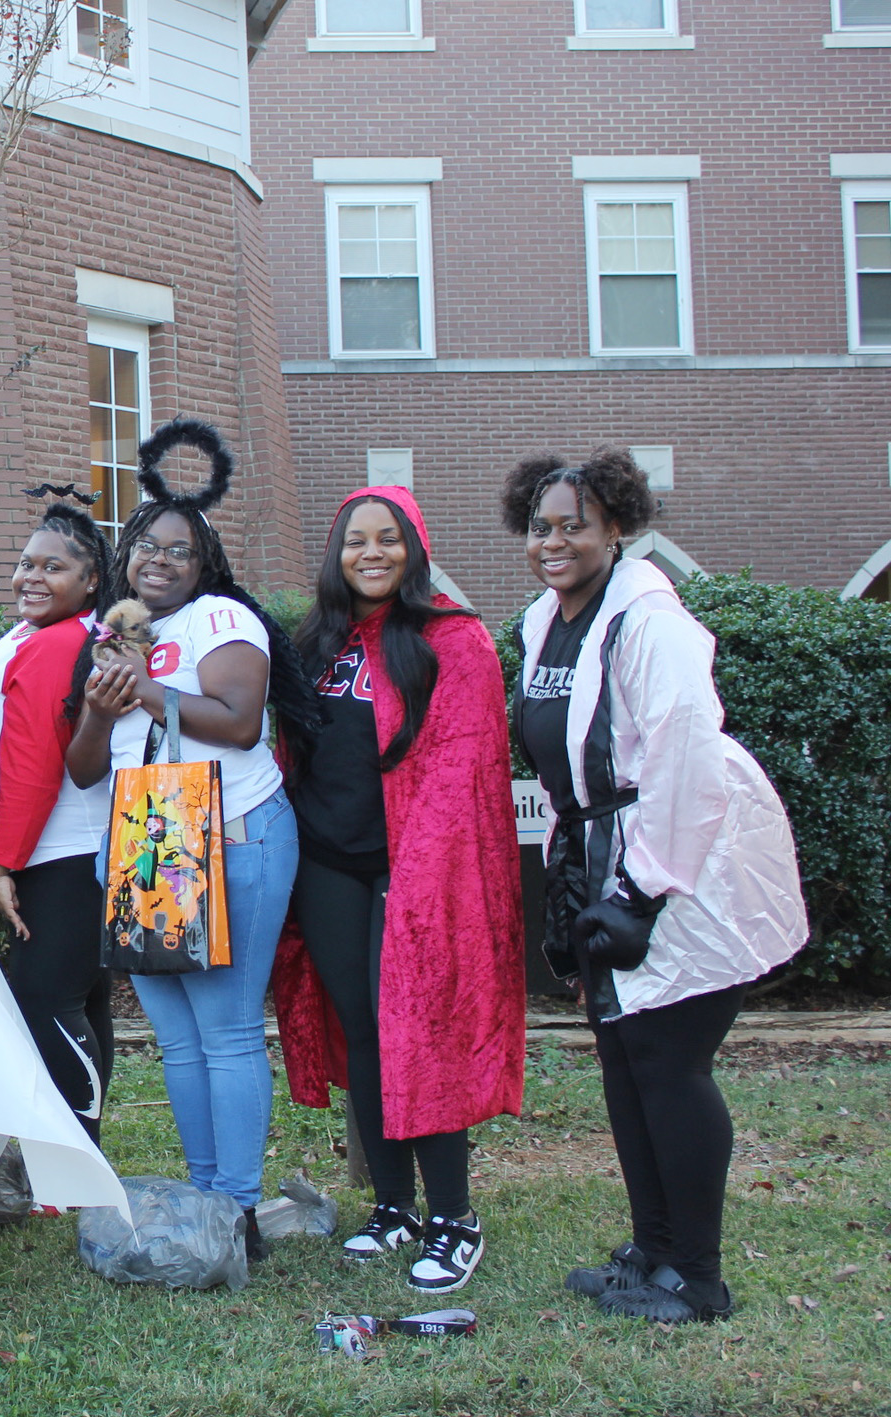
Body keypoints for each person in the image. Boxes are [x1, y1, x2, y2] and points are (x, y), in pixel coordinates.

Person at [503, 448, 805, 1325]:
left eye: (574, 525)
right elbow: (564, 764)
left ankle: (697, 1275)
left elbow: (683, 759)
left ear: (616, 528)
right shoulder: (543, 624)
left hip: (683, 858)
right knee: (626, 1065)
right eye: (540, 526)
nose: (552, 541)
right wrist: (574, 879)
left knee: (670, 1063)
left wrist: (640, 892)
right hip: (602, 852)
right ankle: (653, 1249)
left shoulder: (651, 622)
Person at [61, 420, 315, 1260]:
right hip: (142, 843)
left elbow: (239, 724)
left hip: (231, 835)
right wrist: (102, 705)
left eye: (179, 550)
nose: (158, 561)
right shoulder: (117, 632)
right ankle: (207, 1193)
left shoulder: (221, 620)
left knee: (228, 1027)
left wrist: (145, 688)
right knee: (174, 1033)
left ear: (202, 566)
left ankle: (238, 1208)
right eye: (145, 548)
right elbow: (87, 768)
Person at [268, 486, 523, 1294]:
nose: (369, 553)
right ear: (335, 553)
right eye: (354, 540)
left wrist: (420, 880)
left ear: (413, 547)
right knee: (362, 1031)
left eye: (386, 539)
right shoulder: (316, 641)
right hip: (328, 864)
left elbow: (461, 775)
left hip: (417, 869)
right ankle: (393, 1206)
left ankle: (454, 1217)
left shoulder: (454, 640)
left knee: (420, 1028)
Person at [0, 493, 116, 1145]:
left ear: (90, 581)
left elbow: (33, 766)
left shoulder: (59, 644)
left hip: (59, 855)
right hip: (61, 852)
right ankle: (83, 1152)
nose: (31, 576)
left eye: (53, 568)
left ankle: (73, 1153)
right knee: (79, 999)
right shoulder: (36, 633)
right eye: (25, 563)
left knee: (44, 1001)